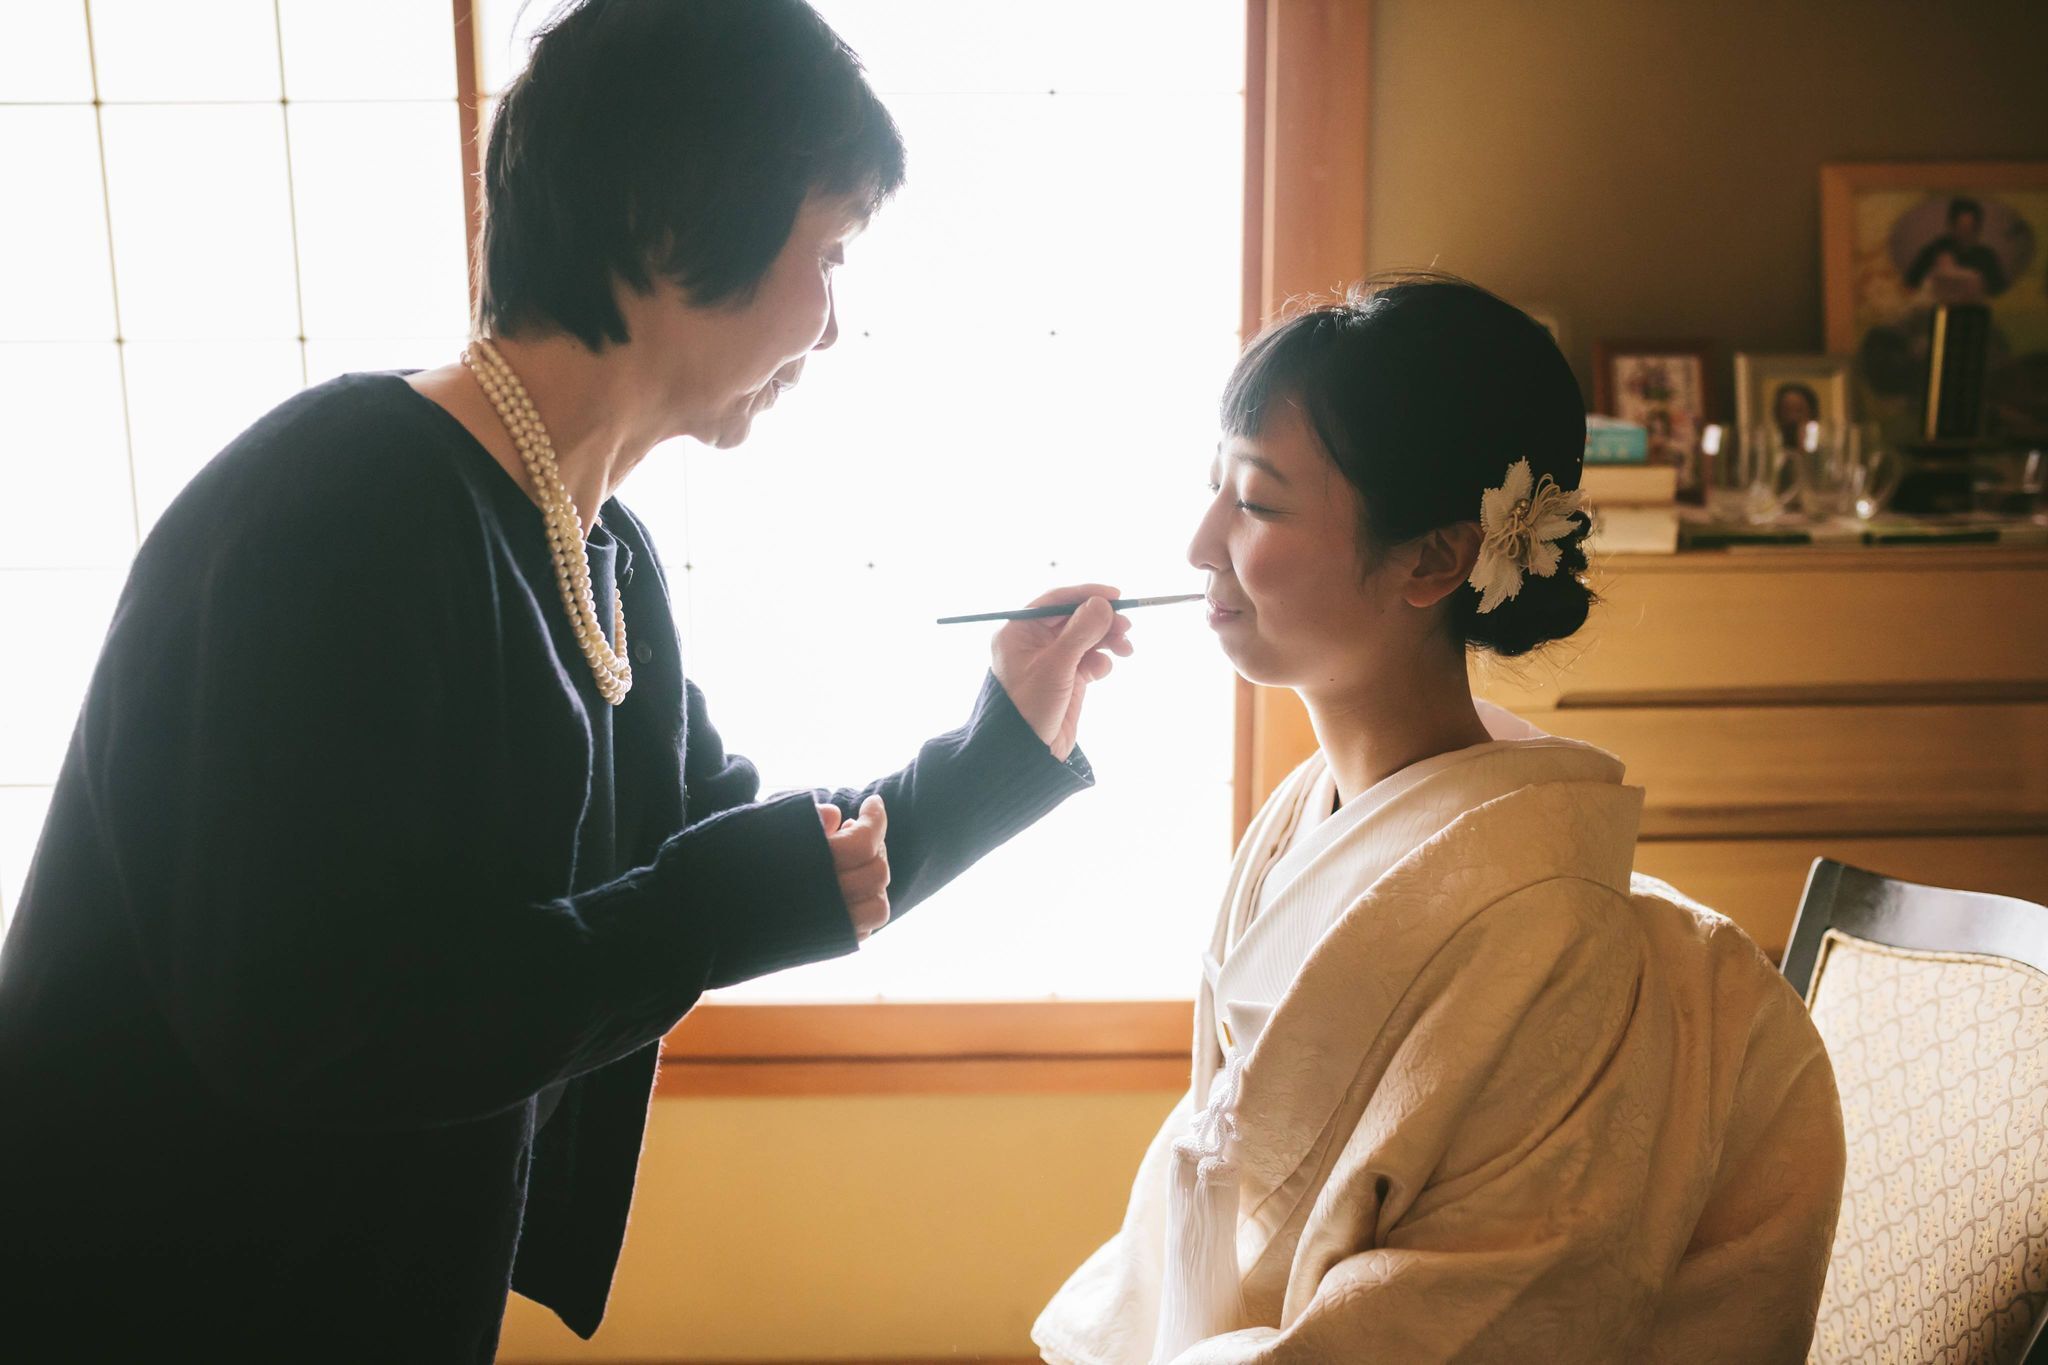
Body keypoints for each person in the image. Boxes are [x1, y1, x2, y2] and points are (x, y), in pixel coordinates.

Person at [0, 2, 1131, 1360]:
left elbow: (757, 865)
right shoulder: (342, 504)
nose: (832, 328)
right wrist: (712, 908)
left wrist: (1004, 745)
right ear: (672, 220)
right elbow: (304, 1017)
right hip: (151, 1294)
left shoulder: (601, 552)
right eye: (827, 253)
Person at [1033, 276, 1845, 1365]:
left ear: (1433, 558)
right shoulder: (1307, 818)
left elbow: (1474, 1310)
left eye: (1257, 503)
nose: (1199, 542)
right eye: (1213, 486)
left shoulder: (1548, 932)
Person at [1903, 195, 2010, 301]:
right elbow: (1911, 282)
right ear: (1952, 226)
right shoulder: (1935, 249)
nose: (1965, 235)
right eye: (1961, 229)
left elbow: (1999, 291)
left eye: (1971, 229)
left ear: (1978, 228)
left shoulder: (1986, 256)